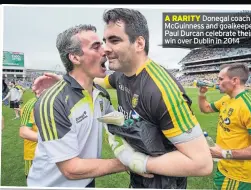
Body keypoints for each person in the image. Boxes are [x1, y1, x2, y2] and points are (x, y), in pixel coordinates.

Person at [32, 8, 213, 189]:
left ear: (139, 44)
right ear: (74, 57)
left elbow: (202, 163)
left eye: (114, 40)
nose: (105, 49)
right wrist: (66, 84)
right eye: (101, 43)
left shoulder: (161, 90)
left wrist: (139, 162)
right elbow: (94, 81)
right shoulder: (120, 76)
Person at [27, 24, 151, 188]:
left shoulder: (100, 94)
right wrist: (132, 163)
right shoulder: (52, 102)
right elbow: (71, 169)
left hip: (87, 181)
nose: (105, 50)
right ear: (75, 58)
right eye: (96, 46)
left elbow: (120, 124)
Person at [197, 63, 251, 190]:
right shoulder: (226, 99)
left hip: (237, 175)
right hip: (223, 167)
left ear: (234, 80)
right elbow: (206, 108)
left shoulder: (249, 107)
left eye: (220, 79)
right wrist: (202, 94)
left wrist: (224, 153)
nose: (217, 82)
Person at [19, 94, 39, 179]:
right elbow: (24, 132)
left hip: (49, 151)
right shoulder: (30, 106)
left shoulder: (54, 102)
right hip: (32, 152)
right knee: (32, 178)